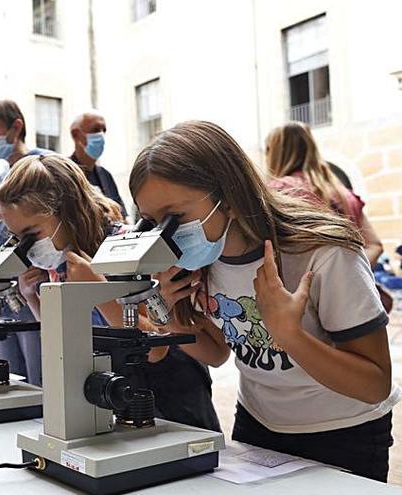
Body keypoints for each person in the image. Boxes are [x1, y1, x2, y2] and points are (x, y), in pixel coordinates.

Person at [135, 121, 397, 481]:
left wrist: (291, 335)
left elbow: (374, 384)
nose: (165, 233)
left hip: (343, 431)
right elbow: (218, 353)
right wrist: (172, 315)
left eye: (175, 217)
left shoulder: (322, 253)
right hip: (259, 424)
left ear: (226, 194)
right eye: (151, 221)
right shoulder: (204, 260)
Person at [0, 154, 221, 431]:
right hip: (115, 391)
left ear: (66, 211)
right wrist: (32, 297)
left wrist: (100, 292)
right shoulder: (62, 259)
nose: (27, 248)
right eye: (18, 238)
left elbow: (153, 350)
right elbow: (65, 337)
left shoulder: (129, 246)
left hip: (171, 394)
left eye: (32, 234)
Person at [0, 99, 51, 385]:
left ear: (16, 127)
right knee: (12, 377)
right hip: (6, 291)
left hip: (36, 287)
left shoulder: (42, 165)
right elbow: (2, 237)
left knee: (39, 377)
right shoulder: (2, 177)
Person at [265, 122, 383, 267]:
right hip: (349, 286)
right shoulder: (343, 193)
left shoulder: (279, 190)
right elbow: (375, 246)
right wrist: (348, 274)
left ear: (276, 152)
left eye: (268, 149)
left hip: (303, 287)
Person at [69, 111, 127, 217]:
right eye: (95, 130)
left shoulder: (106, 176)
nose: (101, 135)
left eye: (104, 130)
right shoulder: (65, 174)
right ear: (76, 134)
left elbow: (122, 217)